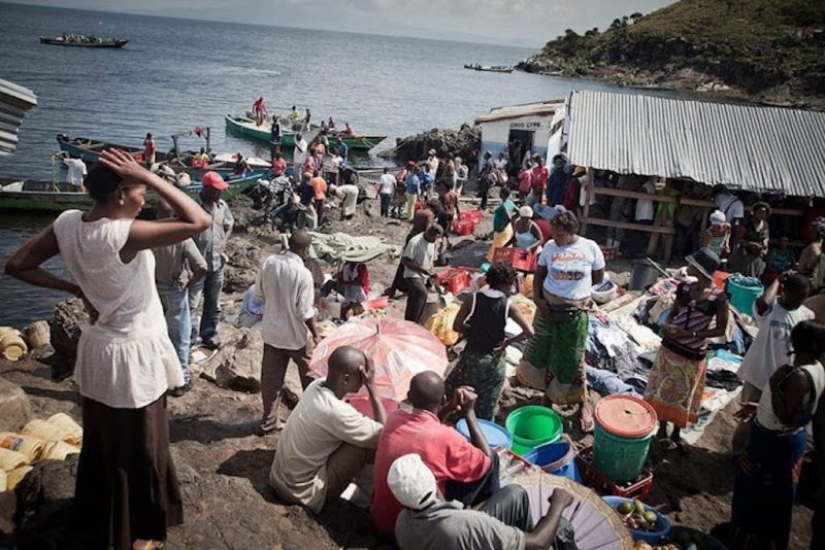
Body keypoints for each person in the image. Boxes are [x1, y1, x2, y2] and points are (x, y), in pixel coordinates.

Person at [5, 149, 212, 549]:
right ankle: (138, 533)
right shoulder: (123, 234)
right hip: (134, 353)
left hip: (99, 349)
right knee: (145, 446)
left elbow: (17, 264)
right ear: (120, 194)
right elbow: (198, 220)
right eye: (138, 191)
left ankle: (101, 521)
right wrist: (150, 176)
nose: (144, 200)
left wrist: (74, 287)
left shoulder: (68, 224)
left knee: (104, 445)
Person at [730, 320, 825, 550]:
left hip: (775, 444)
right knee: (769, 493)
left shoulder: (799, 377)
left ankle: (750, 538)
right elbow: (796, 408)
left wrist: (772, 385)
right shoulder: (816, 369)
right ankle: (751, 534)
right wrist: (760, 407)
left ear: (795, 342)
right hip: (784, 439)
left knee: (760, 492)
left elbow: (786, 416)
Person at [371, 375, 498, 537]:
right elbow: (487, 462)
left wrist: (449, 408)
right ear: (443, 398)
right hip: (420, 531)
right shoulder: (446, 437)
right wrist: (469, 412)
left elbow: (426, 425)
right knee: (493, 457)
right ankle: (488, 516)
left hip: (383, 520)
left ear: (409, 397)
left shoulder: (394, 419)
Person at [269, 346, 387, 513]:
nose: (364, 381)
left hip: (280, 479)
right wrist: (373, 389)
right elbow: (386, 436)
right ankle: (364, 500)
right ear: (345, 380)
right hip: (303, 494)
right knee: (367, 446)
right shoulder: (337, 412)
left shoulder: (316, 386)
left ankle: (356, 493)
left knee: (357, 435)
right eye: (362, 377)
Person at [521, 211, 604, 432]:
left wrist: (578, 293)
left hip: (574, 313)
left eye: (559, 234)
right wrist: (538, 300)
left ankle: (582, 402)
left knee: (572, 358)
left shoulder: (589, 247)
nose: (555, 238)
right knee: (545, 352)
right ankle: (547, 398)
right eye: (553, 233)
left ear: (570, 232)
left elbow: (598, 276)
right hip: (548, 309)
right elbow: (539, 275)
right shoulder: (549, 248)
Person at [389, 454, 576, 550]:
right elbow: (539, 541)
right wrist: (558, 504)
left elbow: (455, 517)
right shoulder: (467, 525)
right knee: (561, 528)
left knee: (514, 493)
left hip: (453, 536)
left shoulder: (401, 523)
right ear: (431, 481)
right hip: (462, 532)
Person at [644, 248, 729, 451]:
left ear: (700, 270)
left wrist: (691, 335)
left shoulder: (718, 298)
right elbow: (674, 313)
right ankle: (663, 430)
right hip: (670, 348)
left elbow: (720, 329)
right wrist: (668, 325)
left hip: (692, 354)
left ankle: (676, 433)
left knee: (683, 396)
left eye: (692, 265)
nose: (688, 267)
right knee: (663, 390)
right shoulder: (684, 288)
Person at [732, 273, 813, 455]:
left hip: (783, 380)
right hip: (758, 374)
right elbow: (762, 305)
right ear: (786, 291)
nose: (800, 300)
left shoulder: (805, 314)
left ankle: (756, 454)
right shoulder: (771, 309)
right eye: (798, 295)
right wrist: (778, 279)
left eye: (804, 297)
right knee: (747, 418)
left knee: (770, 420)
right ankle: (737, 452)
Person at [445, 263, 535, 420]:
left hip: (471, 357)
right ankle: (479, 429)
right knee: (487, 402)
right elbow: (529, 332)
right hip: (493, 360)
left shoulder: (473, 299)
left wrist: (469, 331)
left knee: (456, 389)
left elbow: (456, 326)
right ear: (506, 284)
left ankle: (453, 418)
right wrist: (508, 342)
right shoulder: (508, 305)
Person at [255, 230, 321, 434]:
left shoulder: (269, 263)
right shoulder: (303, 274)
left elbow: (259, 293)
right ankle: (314, 423)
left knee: (271, 380)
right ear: (305, 249)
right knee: (312, 380)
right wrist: (316, 334)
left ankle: (269, 422)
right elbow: (305, 311)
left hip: (273, 333)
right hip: (297, 337)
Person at [152, 199, 207, 397]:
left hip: (154, 293)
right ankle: (180, 380)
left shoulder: (149, 236)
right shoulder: (181, 238)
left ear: (157, 215)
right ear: (174, 215)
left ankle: (160, 376)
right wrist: (190, 283)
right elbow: (201, 267)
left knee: (159, 335)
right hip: (175, 290)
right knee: (181, 338)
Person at [189, 171, 234, 350]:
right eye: (216, 190)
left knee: (213, 303)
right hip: (196, 264)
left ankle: (208, 334)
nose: (220, 193)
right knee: (193, 304)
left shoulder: (222, 206)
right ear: (206, 189)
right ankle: (190, 339)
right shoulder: (192, 206)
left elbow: (229, 224)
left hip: (217, 263)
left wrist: (223, 241)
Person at [386, 202, 436, 299]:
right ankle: (415, 287)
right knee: (417, 263)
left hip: (411, 236)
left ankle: (394, 287)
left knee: (403, 264)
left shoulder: (419, 212)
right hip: (419, 241)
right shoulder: (429, 215)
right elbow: (427, 230)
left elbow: (412, 222)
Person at [402, 224, 443, 324]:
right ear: (429, 233)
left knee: (414, 299)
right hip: (412, 273)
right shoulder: (415, 242)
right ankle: (416, 323)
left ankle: (409, 321)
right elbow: (405, 260)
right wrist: (422, 270)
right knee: (422, 293)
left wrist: (431, 272)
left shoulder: (432, 242)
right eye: (435, 237)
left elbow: (431, 260)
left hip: (424, 275)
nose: (436, 240)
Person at [729, 202, 771, 277]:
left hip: (757, 257)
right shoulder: (747, 224)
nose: (761, 214)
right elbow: (736, 239)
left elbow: (766, 237)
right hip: (745, 256)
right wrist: (750, 244)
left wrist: (765, 243)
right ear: (755, 212)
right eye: (760, 212)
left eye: (764, 213)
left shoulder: (765, 225)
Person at [486, 187, 517, 262]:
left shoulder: (504, 206)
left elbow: (509, 217)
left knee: (500, 247)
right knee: (500, 245)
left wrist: (504, 225)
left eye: (500, 192)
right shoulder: (510, 203)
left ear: (503, 194)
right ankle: (498, 261)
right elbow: (518, 211)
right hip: (508, 229)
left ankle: (497, 262)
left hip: (503, 230)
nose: (499, 193)